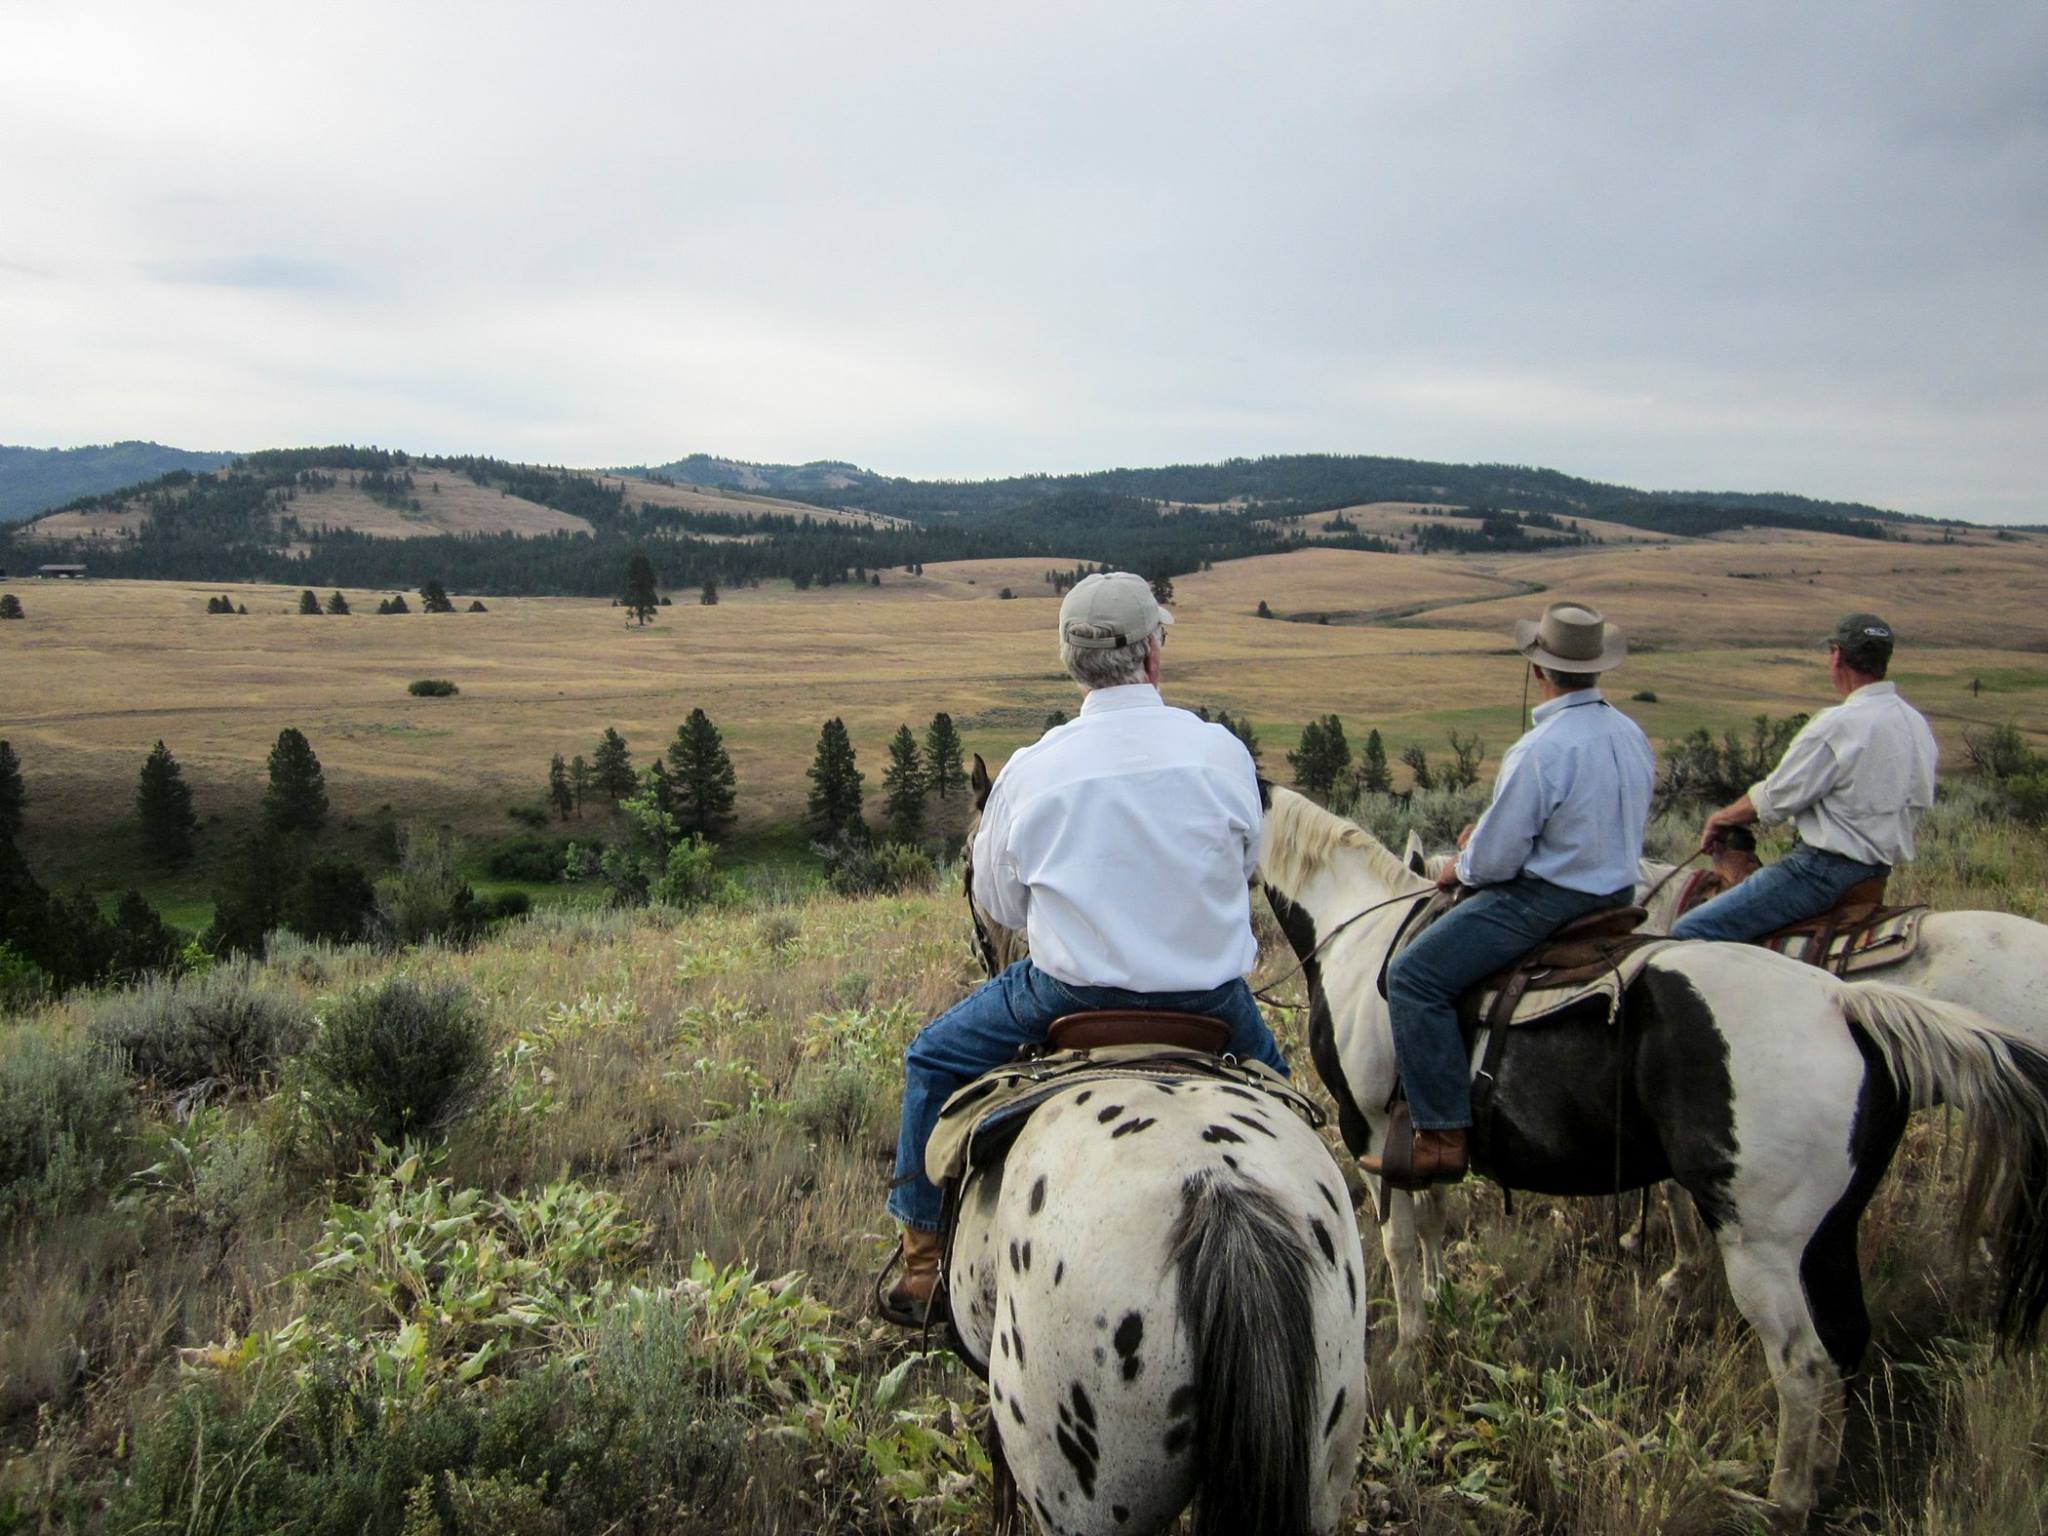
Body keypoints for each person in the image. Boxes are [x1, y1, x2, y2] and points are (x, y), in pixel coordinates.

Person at [879, 571, 1288, 1326]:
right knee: (1289, 1105)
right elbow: (1243, 868)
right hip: (1212, 1001)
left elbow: (999, 905)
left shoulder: (1034, 768)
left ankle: (923, 1262)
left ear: (1073, 664)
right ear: (1153, 655)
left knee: (931, 1060)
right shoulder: (1220, 752)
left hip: (1067, 995)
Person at [1361, 603, 1654, 1189]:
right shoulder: (1629, 732)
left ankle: (1441, 1137)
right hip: (1618, 892)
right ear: (1596, 669)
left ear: (1539, 670)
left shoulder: (1542, 749)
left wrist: (1456, 868)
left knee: (1413, 977)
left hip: (1548, 900)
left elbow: (1494, 863)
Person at [1672, 614, 1937, 942]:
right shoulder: (1916, 724)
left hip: (1819, 874)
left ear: (1837, 655)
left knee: (1689, 930)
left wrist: (1721, 818)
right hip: (1875, 876)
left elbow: (1776, 798)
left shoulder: (1839, 724)